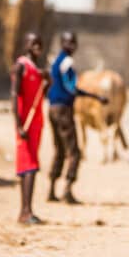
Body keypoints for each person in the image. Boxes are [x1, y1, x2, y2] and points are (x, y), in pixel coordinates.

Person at [46, 31, 107, 204]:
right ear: (63, 44)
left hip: (52, 108)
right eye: (69, 42)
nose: (72, 46)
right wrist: (95, 97)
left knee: (59, 149)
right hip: (64, 109)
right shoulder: (66, 62)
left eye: (74, 42)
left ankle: (51, 189)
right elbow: (71, 88)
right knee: (74, 152)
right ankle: (67, 190)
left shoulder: (56, 61)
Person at [11, 33, 49, 224]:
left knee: (32, 165)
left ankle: (27, 210)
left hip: (36, 122)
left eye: (39, 43)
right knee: (29, 166)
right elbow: (14, 96)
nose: (37, 46)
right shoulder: (21, 66)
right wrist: (18, 125)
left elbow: (42, 95)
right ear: (26, 45)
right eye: (33, 43)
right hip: (25, 123)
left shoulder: (37, 70)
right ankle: (25, 212)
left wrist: (47, 82)